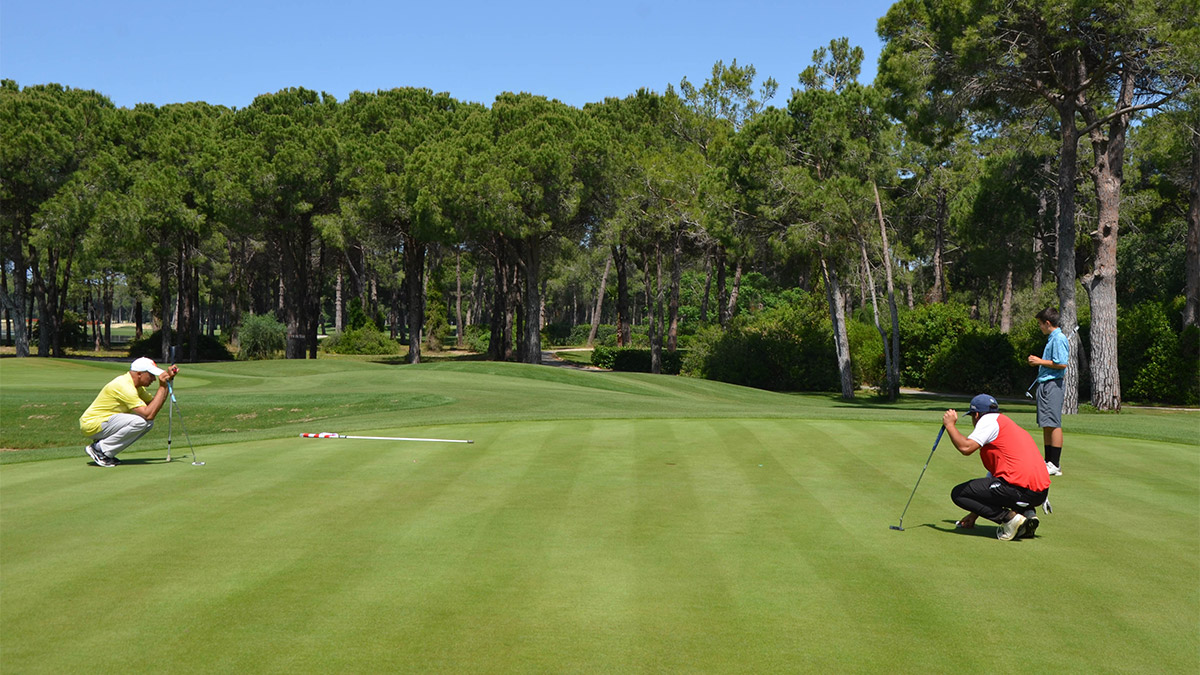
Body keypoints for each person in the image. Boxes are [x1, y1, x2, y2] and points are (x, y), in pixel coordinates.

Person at [943, 394, 1051, 541]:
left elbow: (965, 447)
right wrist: (974, 513)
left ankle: (1010, 519)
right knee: (996, 486)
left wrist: (950, 425)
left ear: (976, 415)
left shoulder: (988, 421)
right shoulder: (1008, 425)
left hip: (1019, 490)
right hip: (1039, 494)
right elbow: (992, 482)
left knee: (959, 493)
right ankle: (1026, 513)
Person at [79, 357, 178, 467]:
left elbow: (153, 406)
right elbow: (148, 414)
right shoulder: (124, 386)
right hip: (92, 424)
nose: (153, 379)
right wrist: (162, 386)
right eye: (151, 375)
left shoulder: (136, 386)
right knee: (140, 422)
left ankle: (106, 452)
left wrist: (166, 384)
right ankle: (99, 449)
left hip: (105, 422)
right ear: (139, 374)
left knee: (148, 423)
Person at [1028, 307, 1069, 475]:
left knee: (1053, 423)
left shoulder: (1058, 338)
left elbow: (1061, 363)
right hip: (1045, 384)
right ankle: (1048, 461)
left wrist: (1039, 361)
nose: (1040, 327)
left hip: (1053, 384)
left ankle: (1055, 464)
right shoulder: (1052, 338)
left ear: (1047, 323)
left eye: (1040, 324)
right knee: (1046, 424)